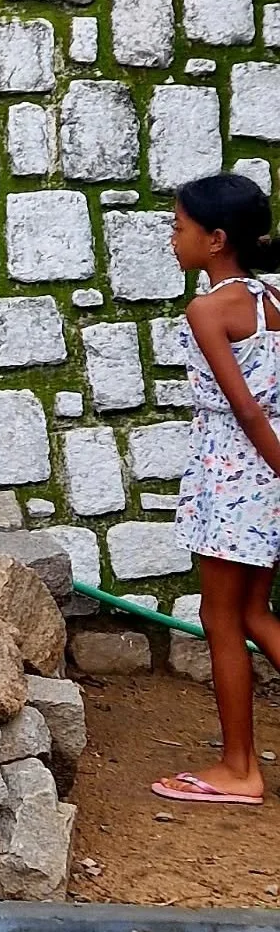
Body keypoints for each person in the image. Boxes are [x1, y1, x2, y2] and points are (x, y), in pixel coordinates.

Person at [154, 173, 280, 806]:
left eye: (180, 228)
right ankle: (237, 764)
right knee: (256, 614)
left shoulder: (208, 308)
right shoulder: (271, 299)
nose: (174, 239)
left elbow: (248, 410)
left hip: (234, 475)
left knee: (221, 619)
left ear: (216, 238)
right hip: (265, 477)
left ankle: (239, 769)